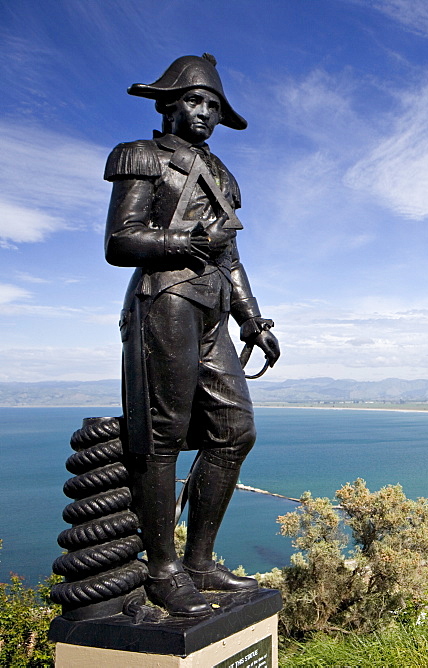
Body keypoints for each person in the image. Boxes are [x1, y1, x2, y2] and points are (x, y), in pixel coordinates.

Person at [104, 54, 279, 617]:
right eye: (194, 101)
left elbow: (231, 255)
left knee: (234, 430)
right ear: (169, 105)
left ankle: (199, 559)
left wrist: (252, 317)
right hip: (166, 300)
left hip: (213, 309)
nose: (204, 113)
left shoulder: (223, 174)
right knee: (161, 434)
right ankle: (162, 568)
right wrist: (179, 243)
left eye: (213, 106)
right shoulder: (143, 156)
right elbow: (120, 241)